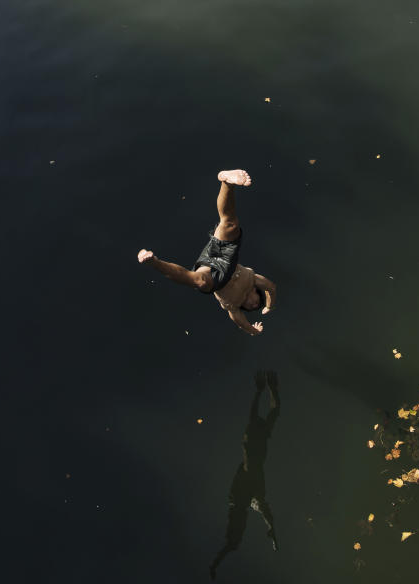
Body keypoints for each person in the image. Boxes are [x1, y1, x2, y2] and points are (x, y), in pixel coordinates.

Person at [137, 169, 276, 335]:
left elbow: (243, 325)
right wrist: (268, 305)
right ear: (256, 293)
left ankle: (154, 262)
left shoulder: (234, 309)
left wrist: (255, 331)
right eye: (256, 303)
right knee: (230, 225)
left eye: (251, 308)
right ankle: (227, 183)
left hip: (214, 279)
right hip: (228, 260)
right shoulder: (253, 280)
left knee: (199, 281)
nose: (253, 305)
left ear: (243, 307)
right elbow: (271, 288)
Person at [209, 370, 280, 580]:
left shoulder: (255, 436)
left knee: (257, 506)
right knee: (259, 507)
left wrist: (263, 391)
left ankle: (270, 530)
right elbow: (272, 411)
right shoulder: (257, 434)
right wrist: (267, 390)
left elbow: (267, 412)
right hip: (250, 481)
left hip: (248, 480)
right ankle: (271, 530)